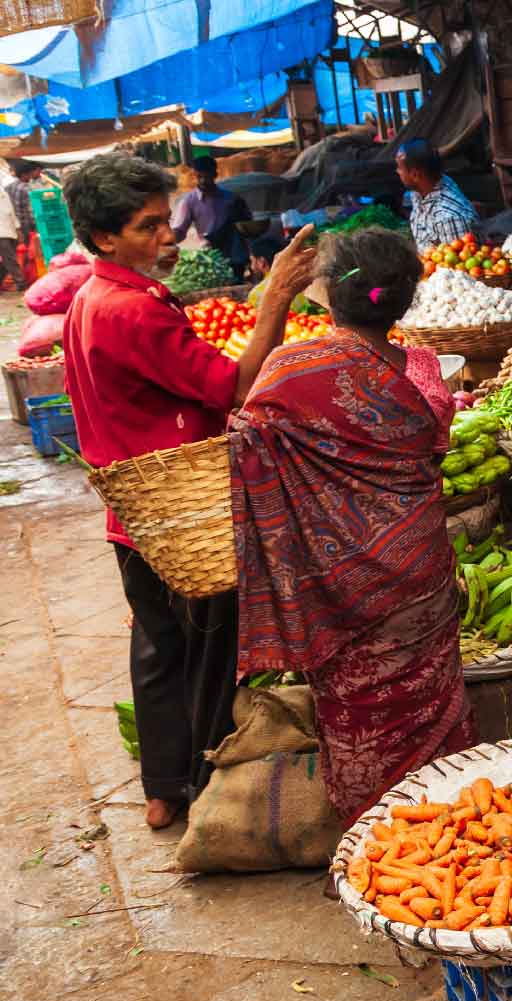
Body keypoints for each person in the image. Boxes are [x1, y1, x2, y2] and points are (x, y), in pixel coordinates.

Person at [61, 152, 317, 830]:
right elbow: (235, 387)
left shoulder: (90, 297)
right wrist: (278, 295)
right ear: (105, 237)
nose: (168, 236)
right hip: (186, 513)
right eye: (149, 227)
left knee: (155, 646)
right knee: (208, 649)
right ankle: (209, 790)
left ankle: (163, 786)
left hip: (134, 516)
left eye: (165, 220)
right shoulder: (135, 311)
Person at [227, 228, 476, 825]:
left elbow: (245, 429)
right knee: (434, 700)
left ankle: (371, 837)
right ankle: (453, 823)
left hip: (338, 589)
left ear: (327, 296)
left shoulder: (291, 368)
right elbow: (436, 435)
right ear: (405, 299)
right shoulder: (421, 369)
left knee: (354, 709)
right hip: (420, 572)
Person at [395, 138, 477, 249]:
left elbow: (457, 263)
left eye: (399, 168)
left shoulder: (448, 217)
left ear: (415, 175)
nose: (397, 171)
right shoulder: (421, 190)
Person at [172, 155, 248, 273]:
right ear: (194, 176)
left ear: (215, 175)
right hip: (209, 258)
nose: (203, 181)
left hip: (235, 256)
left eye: (207, 177)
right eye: (199, 176)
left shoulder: (232, 199)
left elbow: (246, 224)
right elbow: (180, 231)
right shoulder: (189, 201)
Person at [0, 163, 26, 292]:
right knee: (9, 259)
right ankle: (21, 283)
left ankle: (19, 282)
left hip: (8, 231)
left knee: (8, 259)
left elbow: (10, 211)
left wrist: (17, 228)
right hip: (3, 232)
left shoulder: (3, 191)